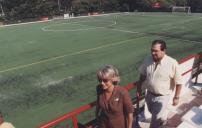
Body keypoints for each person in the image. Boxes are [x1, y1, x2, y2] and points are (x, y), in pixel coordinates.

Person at [137, 39, 182, 128]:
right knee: (151, 112)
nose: (153, 53)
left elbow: (179, 82)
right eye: (152, 50)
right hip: (149, 94)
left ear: (164, 51)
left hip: (162, 97)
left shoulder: (172, 63)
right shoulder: (147, 59)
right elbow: (142, 74)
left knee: (154, 121)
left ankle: (157, 123)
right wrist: (139, 86)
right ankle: (161, 120)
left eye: (156, 51)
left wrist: (176, 97)